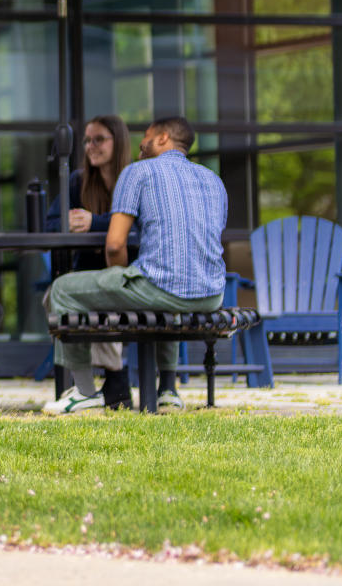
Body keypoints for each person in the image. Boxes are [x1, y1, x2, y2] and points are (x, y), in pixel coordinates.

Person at [43, 116, 226, 416]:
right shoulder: (212, 180)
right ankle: (167, 392)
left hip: (163, 288)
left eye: (147, 136)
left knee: (62, 289)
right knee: (166, 295)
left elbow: (114, 244)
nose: (141, 143)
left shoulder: (138, 172)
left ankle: (86, 392)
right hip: (211, 294)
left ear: (164, 138)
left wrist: (120, 275)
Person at [41, 114, 133, 407]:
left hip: (129, 272)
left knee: (95, 298)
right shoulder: (77, 180)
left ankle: (109, 379)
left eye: (100, 139)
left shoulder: (134, 179)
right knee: (53, 298)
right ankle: (90, 385)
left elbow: (140, 225)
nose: (91, 146)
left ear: (117, 142)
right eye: (87, 140)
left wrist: (95, 222)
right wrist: (67, 222)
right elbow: (50, 224)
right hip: (86, 271)